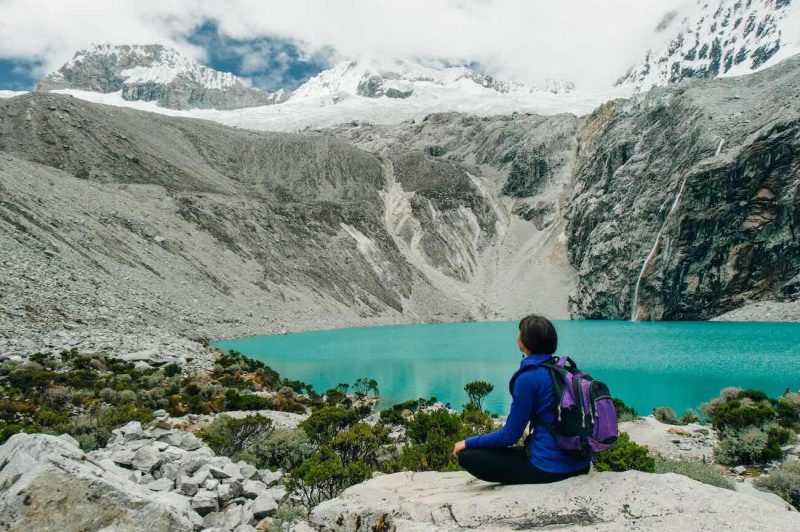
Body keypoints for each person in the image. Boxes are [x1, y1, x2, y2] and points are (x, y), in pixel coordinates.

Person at [452, 314, 591, 484]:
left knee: (467, 456)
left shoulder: (528, 378)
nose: (517, 337)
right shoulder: (562, 370)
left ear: (525, 342)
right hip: (581, 463)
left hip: (548, 467)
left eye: (519, 334)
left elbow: (510, 435)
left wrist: (468, 442)